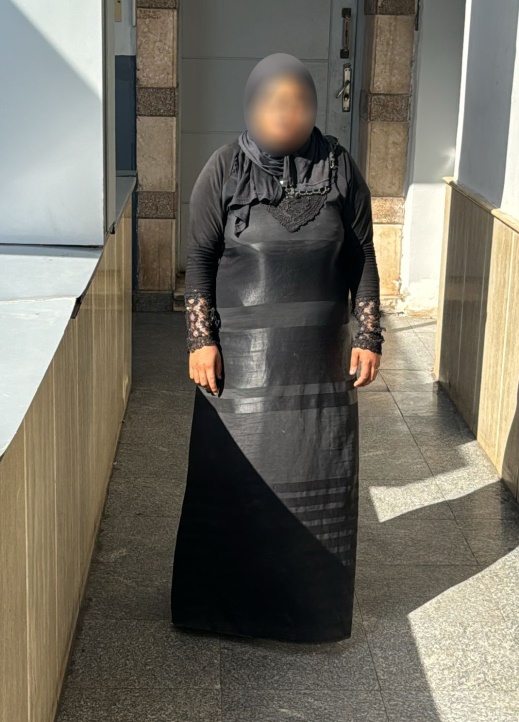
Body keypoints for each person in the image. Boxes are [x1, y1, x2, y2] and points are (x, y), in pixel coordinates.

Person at [170, 52, 385, 644]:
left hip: (316, 367)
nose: (286, 113)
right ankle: (222, 610)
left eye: (298, 102)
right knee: (235, 479)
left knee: (313, 470)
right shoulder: (224, 168)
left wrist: (369, 334)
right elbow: (200, 259)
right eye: (273, 102)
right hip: (241, 369)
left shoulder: (339, 167)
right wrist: (201, 340)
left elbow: (363, 256)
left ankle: (309, 613)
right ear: (252, 105)